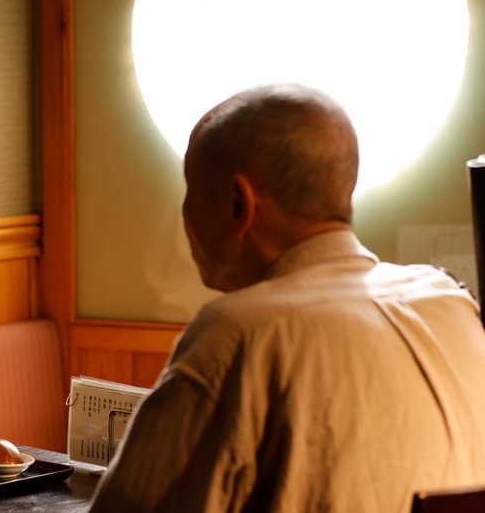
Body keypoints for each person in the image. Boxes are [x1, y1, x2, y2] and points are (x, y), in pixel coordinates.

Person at [88, 83, 485, 513]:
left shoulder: (241, 333)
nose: (184, 212)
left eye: (191, 189)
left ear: (240, 204)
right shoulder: (449, 300)